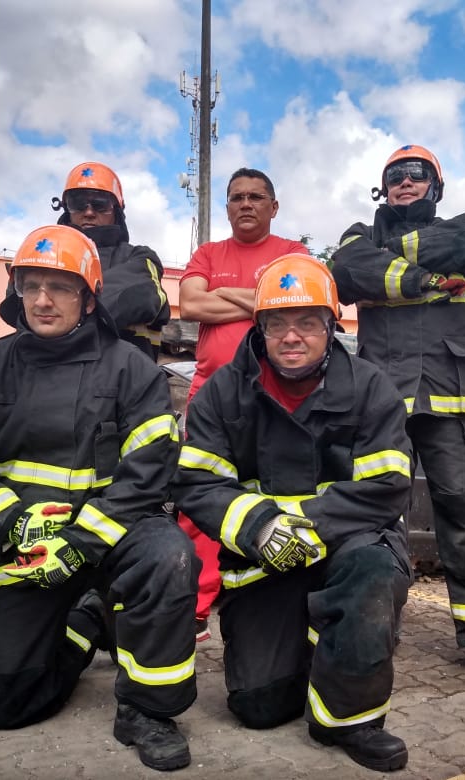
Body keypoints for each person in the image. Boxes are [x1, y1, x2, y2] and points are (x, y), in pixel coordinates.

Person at [0, 225, 198, 772]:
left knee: (169, 557)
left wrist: (82, 540)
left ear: (89, 297)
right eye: (32, 286)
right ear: (16, 292)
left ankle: (148, 710)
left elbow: (148, 470)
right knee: (8, 704)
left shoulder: (131, 369)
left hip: (117, 531)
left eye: (61, 287)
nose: (44, 300)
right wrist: (11, 523)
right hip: (26, 538)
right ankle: (87, 623)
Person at [174, 254, 413, 772]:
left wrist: (308, 525)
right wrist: (262, 527)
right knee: (259, 707)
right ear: (258, 328)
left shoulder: (370, 387)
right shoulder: (224, 391)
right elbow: (197, 481)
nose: (292, 336)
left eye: (308, 322)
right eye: (277, 322)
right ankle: (316, 647)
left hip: (345, 551)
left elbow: (389, 485)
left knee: (373, 570)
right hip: (264, 560)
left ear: (331, 327)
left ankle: (352, 720)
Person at [331, 144, 465, 681]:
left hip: (449, 395)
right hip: (381, 399)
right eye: (394, 177)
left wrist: (391, 266)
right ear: (382, 188)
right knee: (376, 512)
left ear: (434, 185)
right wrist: (428, 279)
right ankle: (373, 625)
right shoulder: (356, 236)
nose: (404, 183)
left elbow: (461, 245)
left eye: (415, 175)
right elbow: (347, 271)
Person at [177, 168, 309, 639]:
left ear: (274, 207)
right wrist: (256, 300)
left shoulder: (293, 254)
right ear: (228, 206)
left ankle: (263, 590)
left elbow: (292, 304)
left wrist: (221, 293)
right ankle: (194, 604)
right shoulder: (208, 252)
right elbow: (189, 305)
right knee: (198, 495)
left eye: (256, 197)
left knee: (269, 489)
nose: (245, 204)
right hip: (209, 393)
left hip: (275, 394)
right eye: (236, 198)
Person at [51, 161, 170, 360]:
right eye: (78, 203)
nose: (89, 212)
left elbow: (143, 296)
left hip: (125, 383)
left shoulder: (141, 257)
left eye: (100, 204)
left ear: (117, 210)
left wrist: (60, 304)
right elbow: (20, 299)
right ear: (66, 209)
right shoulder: (48, 254)